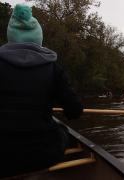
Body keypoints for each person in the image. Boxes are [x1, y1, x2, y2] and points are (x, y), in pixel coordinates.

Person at [0, 4, 83, 177]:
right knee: (62, 131)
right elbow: (75, 111)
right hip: (43, 155)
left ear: (10, 36)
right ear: (39, 37)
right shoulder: (54, 69)